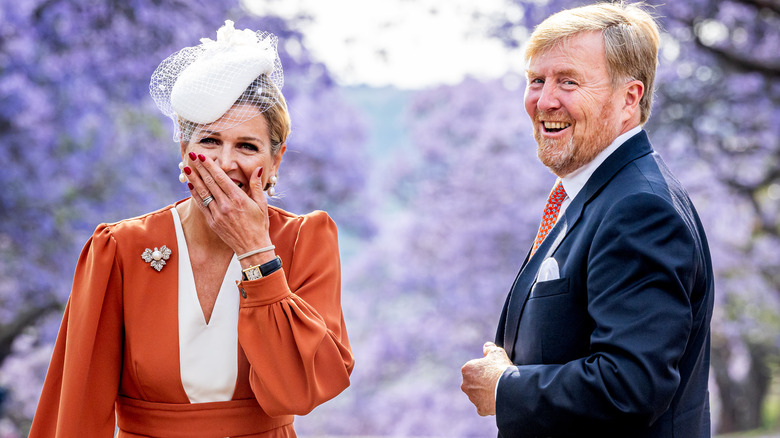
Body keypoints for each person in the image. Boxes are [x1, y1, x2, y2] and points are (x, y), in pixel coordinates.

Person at [30, 20, 354, 437]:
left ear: (276, 161)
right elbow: (76, 406)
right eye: (209, 141)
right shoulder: (119, 248)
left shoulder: (305, 241)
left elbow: (301, 392)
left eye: (247, 146)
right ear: (185, 151)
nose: (224, 163)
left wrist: (256, 251)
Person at [460, 3, 714, 437]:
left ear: (629, 99)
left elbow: (630, 386)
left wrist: (506, 388)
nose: (545, 100)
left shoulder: (640, 210)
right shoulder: (591, 196)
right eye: (536, 80)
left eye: (568, 82)